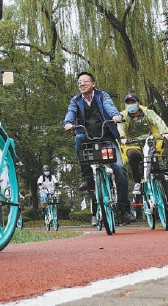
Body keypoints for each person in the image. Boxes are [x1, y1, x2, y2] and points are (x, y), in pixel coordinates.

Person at [62, 72, 135, 224]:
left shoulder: (102, 96)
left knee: (120, 169)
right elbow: (71, 113)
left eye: (85, 81)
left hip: (106, 136)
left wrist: (115, 116)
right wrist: (68, 123)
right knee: (78, 139)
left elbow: (109, 106)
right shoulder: (75, 100)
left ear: (93, 83)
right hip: (87, 137)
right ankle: (87, 178)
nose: (81, 84)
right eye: (79, 82)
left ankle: (124, 208)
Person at [117, 92, 168, 221]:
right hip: (132, 143)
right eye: (128, 103)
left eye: (133, 102)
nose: (131, 105)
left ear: (139, 103)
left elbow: (158, 121)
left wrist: (165, 132)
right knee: (132, 156)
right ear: (125, 105)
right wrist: (122, 137)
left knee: (158, 173)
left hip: (150, 141)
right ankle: (138, 182)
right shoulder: (122, 116)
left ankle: (166, 208)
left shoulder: (148, 113)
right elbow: (120, 127)